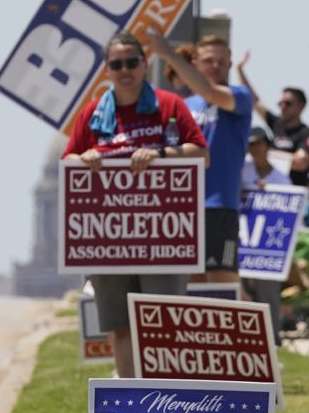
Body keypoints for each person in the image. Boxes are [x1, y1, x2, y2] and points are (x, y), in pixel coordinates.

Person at [63, 31, 208, 378]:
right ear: (107, 70)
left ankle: (164, 404)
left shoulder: (170, 106)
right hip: (109, 241)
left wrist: (161, 154)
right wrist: (86, 158)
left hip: (164, 239)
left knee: (162, 326)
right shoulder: (92, 114)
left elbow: (202, 154)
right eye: (116, 64)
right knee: (121, 327)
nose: (124, 69)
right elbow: (68, 163)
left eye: (131, 62)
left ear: (145, 64)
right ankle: (131, 400)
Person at [148, 31, 252, 286]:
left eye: (221, 61)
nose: (215, 66)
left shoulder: (239, 96)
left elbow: (212, 93)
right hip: (183, 205)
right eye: (208, 61)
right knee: (191, 285)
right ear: (196, 63)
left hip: (219, 205)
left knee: (222, 284)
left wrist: (167, 53)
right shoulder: (182, 105)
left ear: (229, 64)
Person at [240, 126, 292, 343]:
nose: (254, 148)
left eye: (258, 143)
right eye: (251, 144)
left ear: (267, 145)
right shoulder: (242, 171)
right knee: (244, 291)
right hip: (244, 240)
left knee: (268, 292)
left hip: (269, 245)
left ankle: (272, 337)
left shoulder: (282, 179)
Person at [237, 53, 309, 186]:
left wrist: (266, 153)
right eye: (281, 103)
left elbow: (300, 162)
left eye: (288, 103)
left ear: (301, 106)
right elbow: (255, 102)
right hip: (272, 190)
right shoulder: (276, 123)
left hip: (293, 193)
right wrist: (239, 70)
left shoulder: (307, 133)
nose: (283, 107)